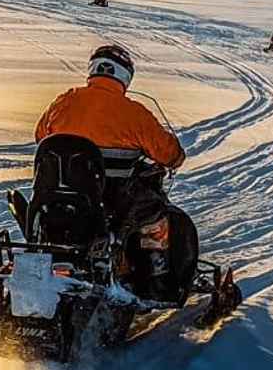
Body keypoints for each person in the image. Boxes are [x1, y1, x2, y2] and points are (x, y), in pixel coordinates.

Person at [35, 44, 186, 297]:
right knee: (154, 211)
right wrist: (176, 158)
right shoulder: (134, 113)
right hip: (111, 198)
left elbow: (41, 135)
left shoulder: (64, 101)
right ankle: (155, 276)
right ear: (125, 75)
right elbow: (168, 153)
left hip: (60, 194)